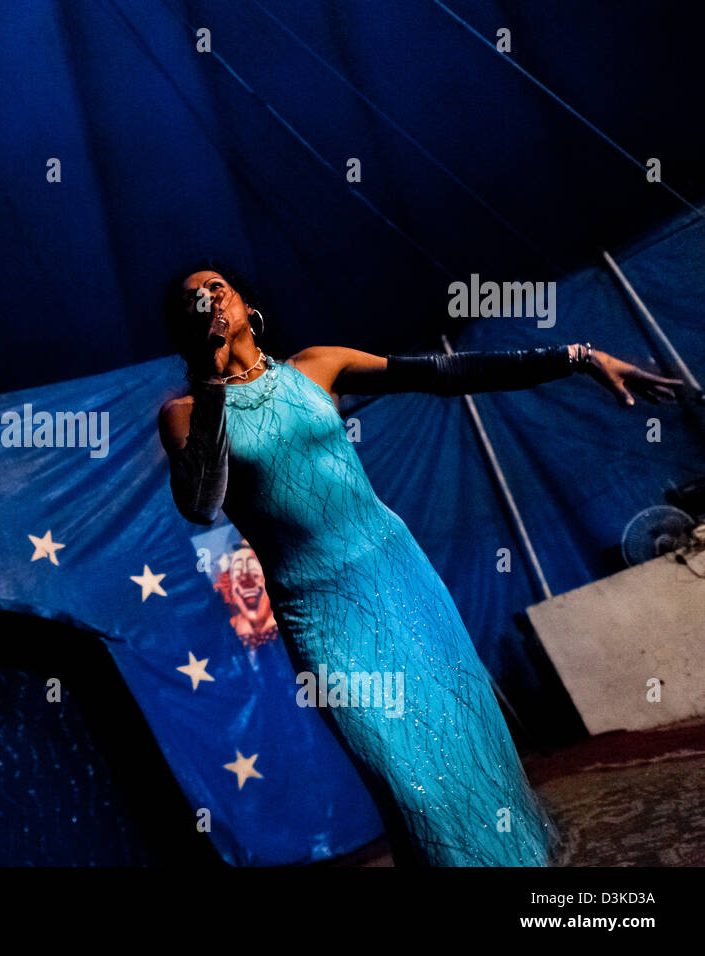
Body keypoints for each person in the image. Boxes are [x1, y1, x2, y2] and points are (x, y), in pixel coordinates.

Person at [158, 262, 681, 865]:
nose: (208, 301)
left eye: (216, 288)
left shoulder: (317, 365)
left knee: (468, 738)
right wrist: (215, 376)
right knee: (402, 775)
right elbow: (202, 504)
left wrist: (580, 356)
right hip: (318, 607)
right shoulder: (187, 414)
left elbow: (448, 373)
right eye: (192, 301)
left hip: (396, 571)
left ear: (247, 303)